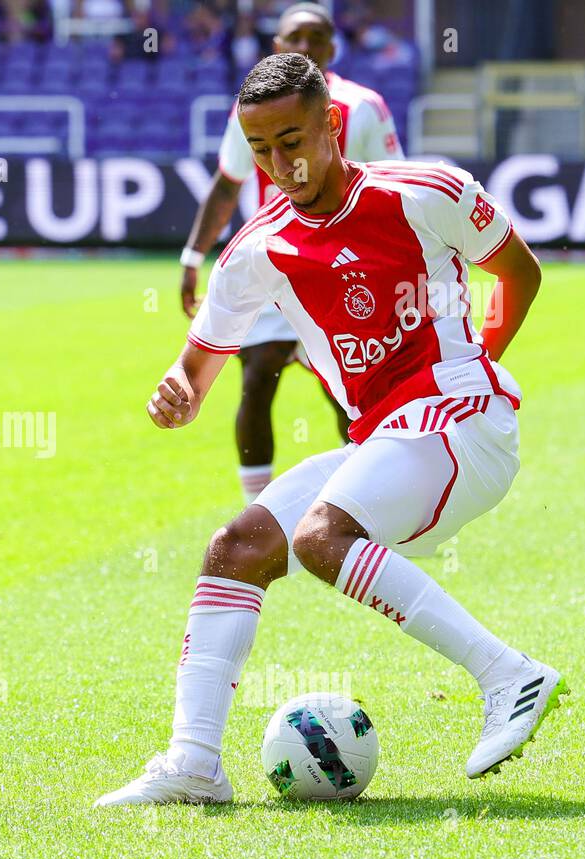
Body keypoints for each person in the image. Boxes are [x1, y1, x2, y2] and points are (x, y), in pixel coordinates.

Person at [96, 53, 564, 807]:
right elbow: (197, 364)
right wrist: (178, 392)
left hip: (465, 422)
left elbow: (521, 272)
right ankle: (193, 764)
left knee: (320, 536)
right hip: (383, 436)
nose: (281, 164)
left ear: (331, 125)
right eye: (261, 150)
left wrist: (476, 364)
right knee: (236, 549)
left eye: (293, 141)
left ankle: (510, 675)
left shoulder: (427, 191)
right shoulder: (257, 248)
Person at [180, 2, 404, 504]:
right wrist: (193, 257)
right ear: (277, 46)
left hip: (345, 272)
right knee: (257, 381)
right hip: (275, 267)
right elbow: (226, 184)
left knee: (349, 394)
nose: (304, 47)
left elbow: (392, 187)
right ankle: (256, 510)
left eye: (314, 38)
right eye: (293, 38)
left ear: (331, 48)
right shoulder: (252, 108)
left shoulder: (362, 105)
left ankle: (362, 504)